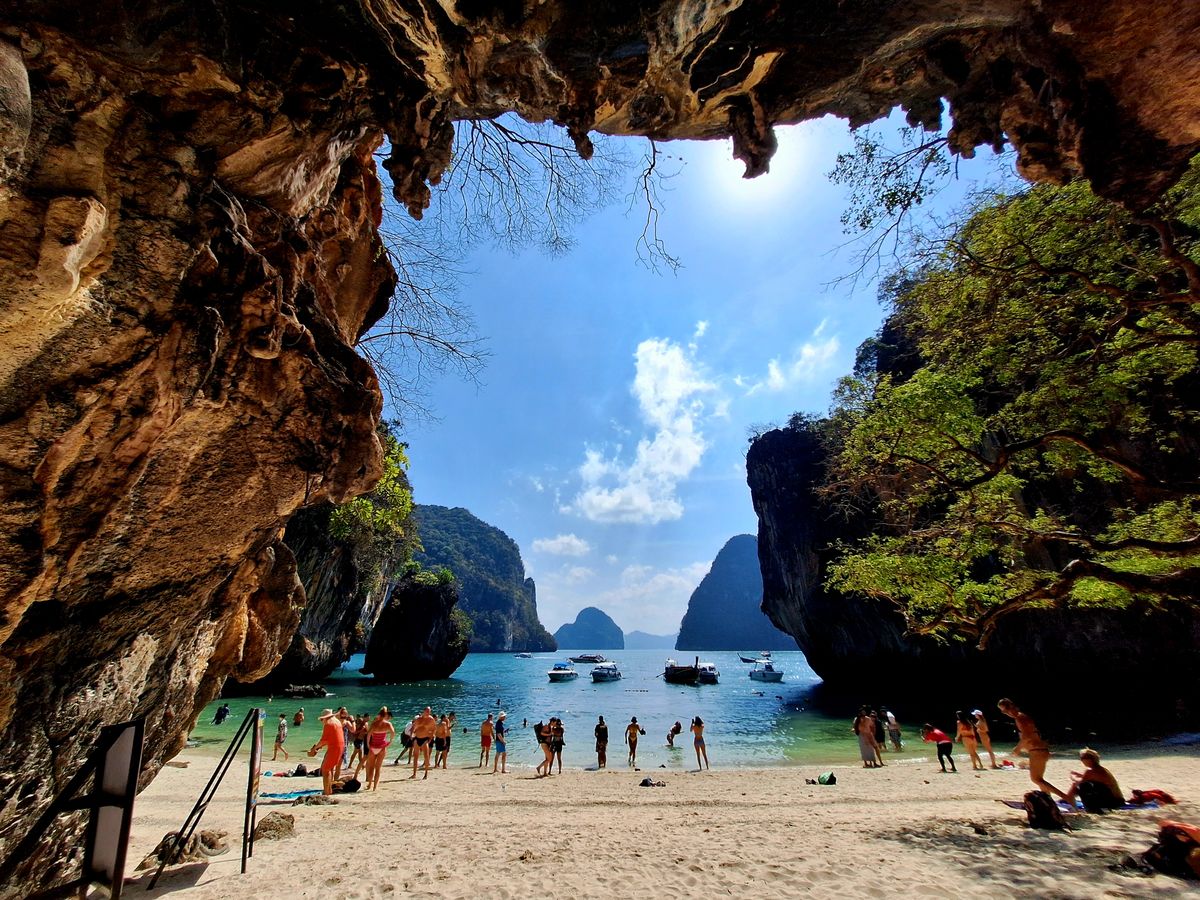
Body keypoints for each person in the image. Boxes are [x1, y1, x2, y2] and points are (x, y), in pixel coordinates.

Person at [998, 698, 1065, 799]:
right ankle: (1048, 799)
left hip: (1037, 750)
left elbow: (1026, 737)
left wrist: (1017, 749)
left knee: (1036, 779)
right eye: (1002, 711)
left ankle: (1066, 797)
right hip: (1039, 750)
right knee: (1039, 779)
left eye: (1004, 710)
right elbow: (1032, 734)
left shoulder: (1019, 718)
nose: (1004, 713)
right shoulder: (1021, 717)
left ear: (1010, 707)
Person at [308, 709, 346, 796]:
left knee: (325, 769)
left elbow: (323, 741)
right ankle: (329, 790)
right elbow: (330, 738)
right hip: (340, 746)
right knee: (330, 768)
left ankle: (327, 792)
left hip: (334, 748)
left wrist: (314, 749)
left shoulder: (328, 724)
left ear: (325, 718)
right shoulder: (337, 721)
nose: (322, 721)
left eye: (322, 719)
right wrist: (318, 747)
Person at [362, 706, 395, 790]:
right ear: (385, 715)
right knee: (378, 768)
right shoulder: (388, 724)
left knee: (371, 767)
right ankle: (375, 786)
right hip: (382, 747)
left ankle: (370, 784)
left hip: (373, 747)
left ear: (379, 714)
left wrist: (368, 744)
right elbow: (393, 733)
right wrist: (390, 741)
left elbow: (368, 735)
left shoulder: (374, 724)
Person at [410, 707, 437, 779]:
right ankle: (414, 774)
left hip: (425, 739)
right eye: (427, 711)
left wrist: (431, 737)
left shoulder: (431, 719)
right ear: (424, 711)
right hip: (417, 738)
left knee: (426, 756)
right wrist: (411, 735)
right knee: (415, 756)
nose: (428, 713)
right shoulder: (418, 719)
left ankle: (426, 774)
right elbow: (413, 727)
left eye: (429, 711)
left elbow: (434, 729)